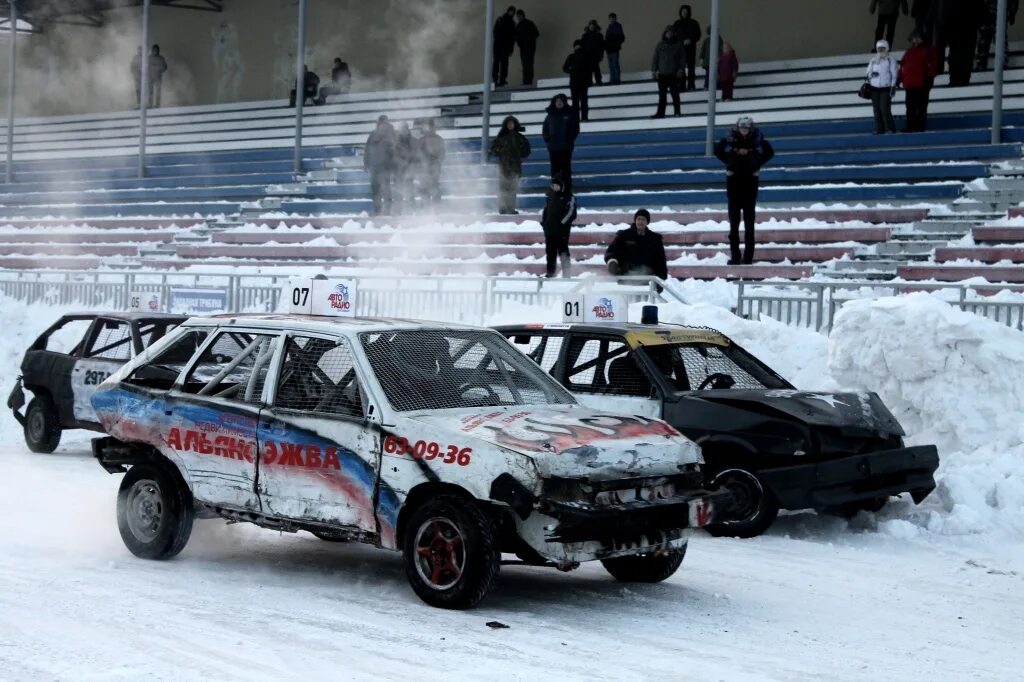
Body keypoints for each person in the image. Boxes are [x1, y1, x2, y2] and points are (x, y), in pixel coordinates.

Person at [714, 116, 775, 265]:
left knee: (749, 224)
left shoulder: (758, 140)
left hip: (750, 183)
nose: (744, 130)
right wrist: (730, 162)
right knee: (733, 225)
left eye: (746, 128)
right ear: (737, 127)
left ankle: (748, 257)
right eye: (742, 127)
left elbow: (769, 152)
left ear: (751, 128)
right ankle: (735, 255)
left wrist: (756, 163)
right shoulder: (729, 140)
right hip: (734, 183)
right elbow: (718, 151)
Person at [605, 209, 669, 280]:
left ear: (647, 222)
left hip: (648, 280)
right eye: (638, 219)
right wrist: (612, 262)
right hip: (624, 278)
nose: (640, 222)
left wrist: (660, 279)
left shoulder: (655, 239)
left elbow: (661, 261)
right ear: (635, 220)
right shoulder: (623, 236)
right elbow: (611, 251)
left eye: (643, 219)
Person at [489, 115, 531, 214]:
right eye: (508, 123)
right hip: (503, 167)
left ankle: (511, 208)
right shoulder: (501, 138)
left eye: (512, 123)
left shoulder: (520, 138)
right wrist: (500, 150)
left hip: (515, 167)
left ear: (515, 124)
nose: (510, 125)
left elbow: (526, 152)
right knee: (503, 189)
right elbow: (493, 150)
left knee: (512, 190)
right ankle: (503, 208)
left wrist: (521, 149)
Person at [900, 32, 940, 132]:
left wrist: (930, 78)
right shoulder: (909, 52)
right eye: (914, 38)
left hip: (922, 83)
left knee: (921, 106)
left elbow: (933, 65)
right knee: (910, 107)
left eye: (918, 38)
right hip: (909, 84)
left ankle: (920, 126)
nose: (916, 41)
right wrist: (899, 78)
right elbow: (902, 67)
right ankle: (910, 126)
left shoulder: (929, 50)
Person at [541, 174, 578, 278]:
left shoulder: (569, 197)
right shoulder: (550, 196)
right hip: (550, 230)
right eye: (553, 186)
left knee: (563, 252)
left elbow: (571, 213)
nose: (554, 187)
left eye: (556, 185)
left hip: (562, 231)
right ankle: (550, 273)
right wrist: (544, 223)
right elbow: (546, 211)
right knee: (550, 252)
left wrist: (562, 223)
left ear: (561, 185)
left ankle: (567, 274)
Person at [542, 94, 580, 191]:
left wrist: (569, 140)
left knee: (565, 169)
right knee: (554, 169)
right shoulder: (550, 116)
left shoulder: (570, 114)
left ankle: (567, 188)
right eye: (557, 101)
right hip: (553, 147)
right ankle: (555, 189)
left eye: (560, 101)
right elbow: (545, 129)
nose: (558, 103)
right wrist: (548, 139)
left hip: (566, 147)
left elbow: (575, 129)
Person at [364, 115, 396, 215]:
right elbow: (367, 150)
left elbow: (395, 151)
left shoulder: (391, 135)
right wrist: (366, 163)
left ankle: (388, 209)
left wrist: (393, 165)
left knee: (385, 188)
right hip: (374, 166)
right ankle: (377, 210)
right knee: (375, 189)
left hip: (385, 166)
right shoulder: (373, 134)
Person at [865, 40, 899, 134]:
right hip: (874, 88)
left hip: (885, 87)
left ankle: (890, 128)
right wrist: (872, 74)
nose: (880, 50)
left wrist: (892, 86)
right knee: (876, 109)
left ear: (887, 48)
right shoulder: (873, 60)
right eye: (878, 48)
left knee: (884, 108)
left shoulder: (890, 60)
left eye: (882, 48)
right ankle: (879, 128)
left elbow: (894, 74)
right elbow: (867, 72)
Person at [976, 0, 1019, 71]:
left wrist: (1012, 12)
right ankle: (982, 63)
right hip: (988, 12)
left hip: (995, 11)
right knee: (986, 40)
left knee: (990, 40)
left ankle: (982, 64)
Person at [651, 27, 684, 118]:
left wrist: (681, 69)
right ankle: (660, 113)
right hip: (662, 74)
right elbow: (655, 58)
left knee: (675, 94)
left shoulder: (678, 45)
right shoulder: (660, 45)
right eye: (667, 32)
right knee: (662, 95)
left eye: (670, 32)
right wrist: (654, 70)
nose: (669, 34)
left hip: (673, 74)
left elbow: (682, 59)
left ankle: (677, 112)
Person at [947, 0, 982, 85]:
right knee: (963, 58)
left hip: (961, 32)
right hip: (966, 32)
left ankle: (957, 79)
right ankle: (960, 79)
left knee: (959, 57)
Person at [417, 118, 446, 205]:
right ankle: (426, 206)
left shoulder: (439, 139)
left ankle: (436, 206)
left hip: (434, 166)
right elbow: (417, 153)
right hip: (423, 167)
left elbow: (442, 153)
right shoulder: (420, 140)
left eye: (430, 126)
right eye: (426, 126)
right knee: (424, 187)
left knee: (434, 185)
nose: (428, 128)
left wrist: (438, 162)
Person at [673, 5, 701, 91]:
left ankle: (691, 85)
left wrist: (691, 40)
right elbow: (674, 36)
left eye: (686, 12)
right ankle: (682, 86)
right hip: (680, 50)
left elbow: (698, 35)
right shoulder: (677, 24)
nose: (684, 13)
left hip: (691, 49)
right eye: (683, 12)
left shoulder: (694, 23)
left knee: (691, 68)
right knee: (681, 68)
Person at [563, 41, 591, 121]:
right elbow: (589, 70)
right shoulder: (586, 56)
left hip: (574, 82)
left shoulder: (572, 57)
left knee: (575, 101)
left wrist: (571, 70)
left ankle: (576, 117)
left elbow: (565, 68)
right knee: (583, 100)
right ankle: (584, 117)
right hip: (583, 82)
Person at [393, 123, 417, 214]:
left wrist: (410, 163)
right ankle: (397, 212)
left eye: (405, 129)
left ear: (408, 130)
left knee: (409, 192)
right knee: (398, 193)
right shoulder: (395, 142)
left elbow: (417, 155)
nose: (403, 131)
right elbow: (392, 155)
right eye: (401, 129)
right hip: (398, 171)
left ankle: (411, 211)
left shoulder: (414, 141)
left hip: (409, 170)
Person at [493, 6, 517, 87]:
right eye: (511, 11)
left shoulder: (511, 23)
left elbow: (513, 38)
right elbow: (495, 32)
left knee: (503, 64)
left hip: (504, 47)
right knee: (497, 63)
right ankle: (495, 79)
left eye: (513, 12)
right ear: (508, 11)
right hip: (500, 45)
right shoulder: (501, 20)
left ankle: (501, 80)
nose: (512, 13)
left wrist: (511, 49)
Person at [515, 10, 540, 86]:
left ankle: (529, 81)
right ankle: (526, 81)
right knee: (525, 65)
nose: (519, 18)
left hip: (529, 48)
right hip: (523, 48)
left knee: (529, 65)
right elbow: (516, 37)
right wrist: (520, 43)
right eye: (518, 16)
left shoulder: (529, 24)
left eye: (519, 16)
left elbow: (536, 33)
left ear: (523, 15)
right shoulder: (519, 26)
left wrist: (529, 40)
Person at [581, 20, 606, 86]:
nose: (592, 27)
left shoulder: (599, 35)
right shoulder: (585, 36)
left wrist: (601, 54)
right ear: (589, 26)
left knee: (596, 69)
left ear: (595, 26)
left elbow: (602, 46)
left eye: (593, 26)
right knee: (588, 69)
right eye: (591, 25)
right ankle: (589, 81)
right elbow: (582, 46)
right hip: (587, 55)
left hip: (595, 55)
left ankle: (598, 80)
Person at [699, 26, 723, 90]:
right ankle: (707, 86)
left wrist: (719, 58)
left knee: (715, 74)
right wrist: (701, 58)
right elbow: (703, 50)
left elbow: (720, 49)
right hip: (707, 61)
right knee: (708, 74)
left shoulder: (719, 39)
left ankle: (715, 86)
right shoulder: (706, 41)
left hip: (715, 61)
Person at [605, 13, 625, 84]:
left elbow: (621, 38)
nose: (611, 20)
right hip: (609, 49)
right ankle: (612, 79)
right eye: (610, 18)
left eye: (613, 18)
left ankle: (616, 79)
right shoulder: (609, 27)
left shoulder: (618, 26)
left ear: (615, 18)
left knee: (615, 64)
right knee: (611, 65)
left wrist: (614, 42)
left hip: (614, 49)